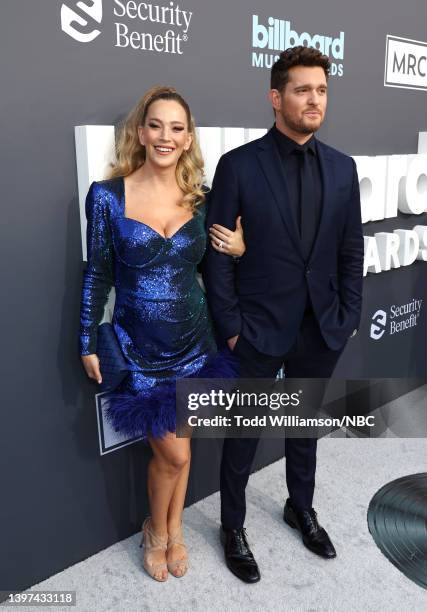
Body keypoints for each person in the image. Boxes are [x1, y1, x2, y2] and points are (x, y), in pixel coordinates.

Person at [203, 46, 364, 583]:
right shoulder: (239, 166)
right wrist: (230, 329)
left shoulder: (343, 168)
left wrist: (348, 315)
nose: (314, 99)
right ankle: (232, 527)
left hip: (322, 325)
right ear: (276, 98)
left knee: (305, 426)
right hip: (257, 327)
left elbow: (350, 251)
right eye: (302, 90)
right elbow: (218, 255)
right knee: (244, 430)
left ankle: (302, 507)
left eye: (321, 90)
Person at [79, 86, 245, 582]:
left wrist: (239, 249)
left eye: (176, 128)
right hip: (140, 349)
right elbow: (97, 275)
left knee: (185, 448)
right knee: (171, 451)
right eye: (156, 125)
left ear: (188, 137)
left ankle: (173, 529)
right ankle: (155, 527)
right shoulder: (107, 197)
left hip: (196, 343)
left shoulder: (202, 199)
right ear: (140, 131)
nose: (165, 136)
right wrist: (87, 337)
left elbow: (222, 262)